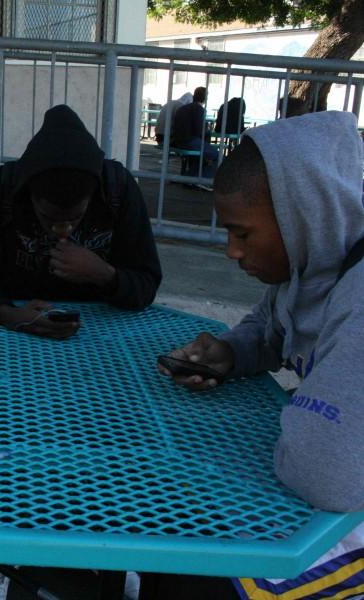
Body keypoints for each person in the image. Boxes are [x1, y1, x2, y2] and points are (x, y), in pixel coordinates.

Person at [152, 111, 364, 599]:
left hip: (339, 495)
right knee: (176, 517)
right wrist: (231, 352)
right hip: (324, 474)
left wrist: (303, 432)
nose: (231, 251)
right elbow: (271, 327)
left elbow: (326, 474)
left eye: (242, 234)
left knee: (209, 572)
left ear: (304, 217)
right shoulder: (313, 265)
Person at [0, 104, 161, 340]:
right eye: (48, 218)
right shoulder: (0, 190)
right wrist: (6, 314)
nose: (63, 230)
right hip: (12, 333)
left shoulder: (117, 190)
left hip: (100, 334)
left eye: (75, 218)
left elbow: (147, 282)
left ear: (92, 199)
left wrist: (105, 275)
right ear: (29, 195)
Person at [171, 86, 220, 179]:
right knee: (217, 156)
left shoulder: (183, 108)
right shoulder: (199, 109)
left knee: (202, 156)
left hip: (178, 141)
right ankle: (202, 179)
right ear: (205, 98)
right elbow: (199, 131)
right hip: (189, 141)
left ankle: (189, 177)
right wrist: (207, 129)